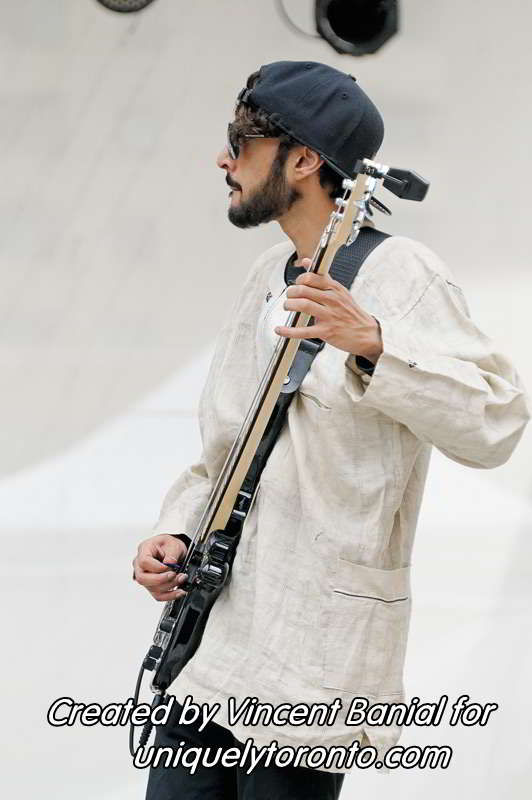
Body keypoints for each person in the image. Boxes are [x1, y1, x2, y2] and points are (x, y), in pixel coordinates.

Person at [132, 61, 530, 799]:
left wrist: (376, 344)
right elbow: (226, 451)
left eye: (241, 144)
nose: (223, 160)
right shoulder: (266, 275)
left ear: (304, 160)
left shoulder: (402, 273)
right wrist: (177, 531)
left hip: (310, 653)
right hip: (213, 638)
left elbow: (496, 423)